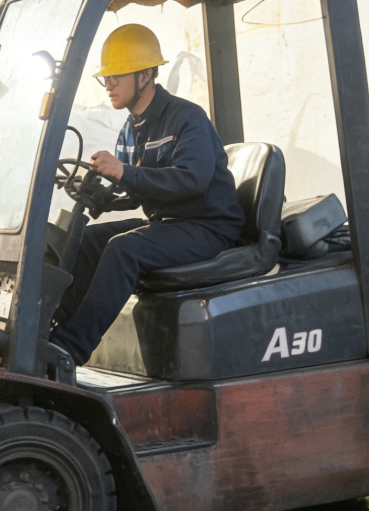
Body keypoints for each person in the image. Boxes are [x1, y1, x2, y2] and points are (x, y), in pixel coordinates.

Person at [51, 24, 244, 366]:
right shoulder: (130, 129)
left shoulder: (187, 119)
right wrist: (103, 197)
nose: (109, 84)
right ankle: (52, 334)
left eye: (117, 75)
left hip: (208, 227)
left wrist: (124, 172)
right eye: (106, 77)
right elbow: (137, 190)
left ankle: (71, 349)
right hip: (167, 223)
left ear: (147, 74)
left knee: (123, 249)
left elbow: (191, 180)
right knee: (85, 239)